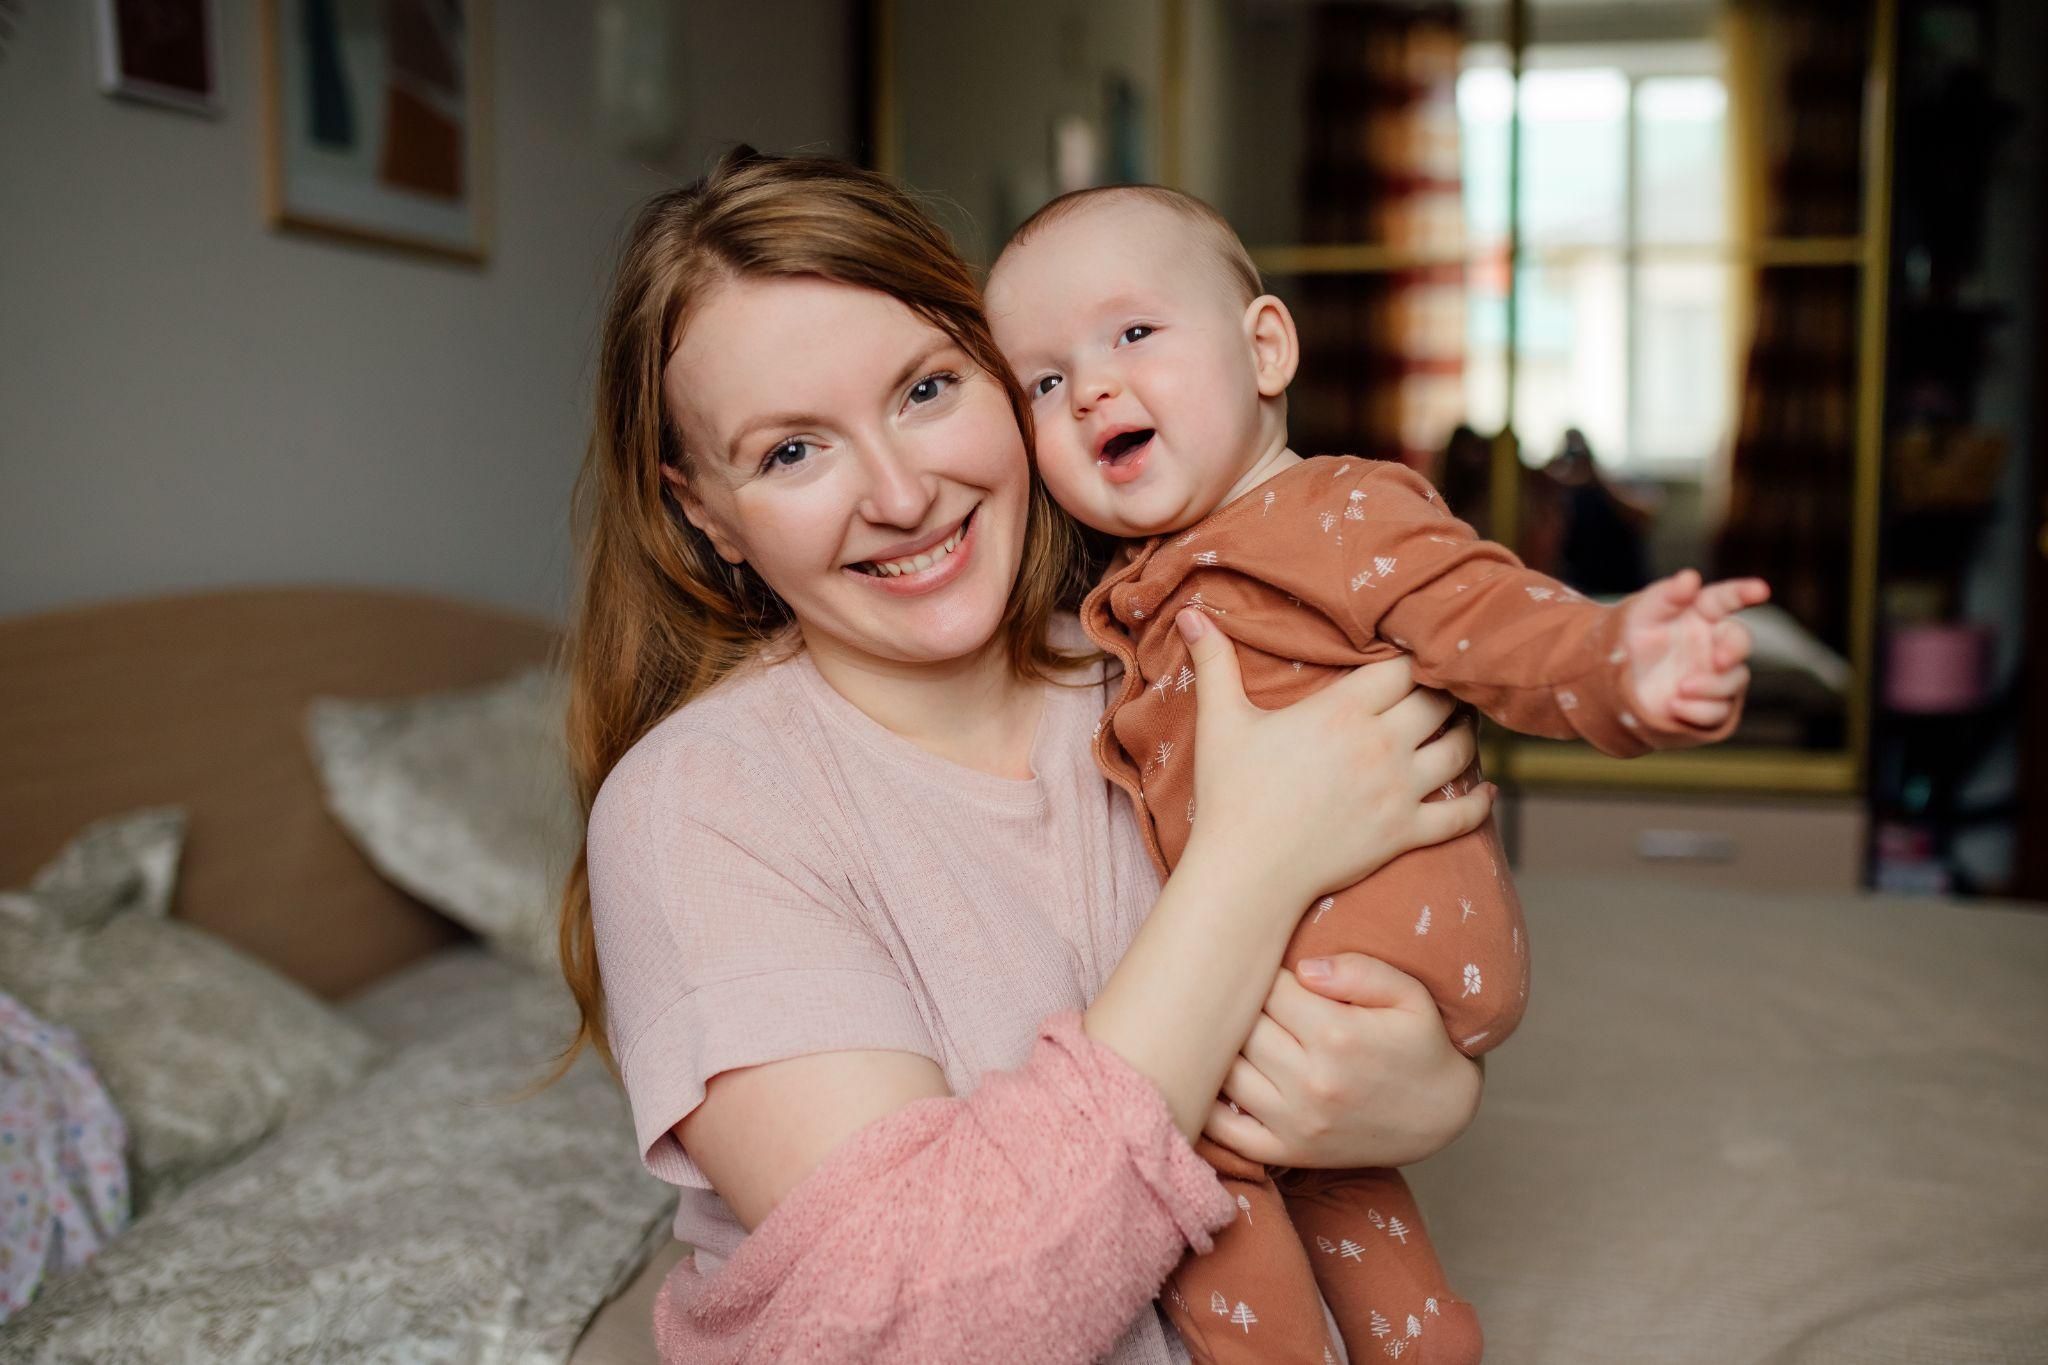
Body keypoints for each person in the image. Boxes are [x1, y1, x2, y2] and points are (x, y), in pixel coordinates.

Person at [555, 147, 1495, 1364]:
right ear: (703, 510)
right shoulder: (699, 808)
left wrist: (1431, 1087)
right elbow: (934, 1326)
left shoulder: (1175, 655)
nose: (899, 494)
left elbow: (1415, 915)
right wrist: (1253, 859)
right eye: (791, 451)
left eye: (926, 390)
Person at [984, 184, 1768, 1365]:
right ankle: (1424, 1341)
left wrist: (1619, 663)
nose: (1089, 385)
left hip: (1365, 927)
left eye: (1133, 333)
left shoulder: (1335, 511)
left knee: (1185, 1154)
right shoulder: (1137, 588)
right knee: (1338, 1189)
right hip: (1342, 967)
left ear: (1263, 350)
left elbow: (1488, 618)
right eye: (1042, 381)